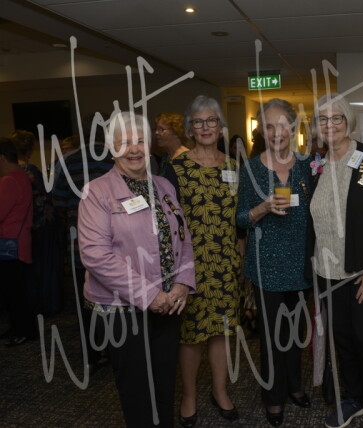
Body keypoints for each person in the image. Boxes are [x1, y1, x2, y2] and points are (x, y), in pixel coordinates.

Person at [78, 111, 195, 427]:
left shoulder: (164, 186)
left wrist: (183, 283)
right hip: (122, 310)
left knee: (164, 384)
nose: (133, 149)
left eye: (140, 141)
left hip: (168, 304)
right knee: (137, 391)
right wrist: (150, 295)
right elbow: (95, 255)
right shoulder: (96, 192)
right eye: (124, 142)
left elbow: (183, 237)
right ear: (111, 147)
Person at [308, 93, 363, 428]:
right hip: (327, 272)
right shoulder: (316, 165)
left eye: (337, 118)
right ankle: (354, 398)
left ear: (348, 121)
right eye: (323, 119)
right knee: (342, 339)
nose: (330, 125)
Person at [237, 98, 312, 427]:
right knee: (271, 336)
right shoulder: (251, 169)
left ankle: (294, 385)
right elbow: (240, 218)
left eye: (282, 125)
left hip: (302, 264)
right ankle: (273, 397)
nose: (276, 132)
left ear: (293, 128)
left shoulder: (308, 165)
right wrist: (262, 208)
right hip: (265, 265)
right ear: (262, 132)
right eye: (269, 126)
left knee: (296, 332)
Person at [171, 95, 241, 426]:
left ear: (221, 125)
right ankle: (188, 396)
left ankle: (219, 391)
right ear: (189, 128)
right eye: (198, 122)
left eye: (211, 120)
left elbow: (241, 219)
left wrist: (242, 259)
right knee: (191, 334)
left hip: (226, 263)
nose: (205, 127)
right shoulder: (175, 168)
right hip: (190, 265)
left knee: (221, 332)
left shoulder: (234, 167)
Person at [53, 115, 114, 372]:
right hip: (114, 245)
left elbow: (57, 201)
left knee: (86, 303)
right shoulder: (116, 159)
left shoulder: (67, 162)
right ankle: (116, 351)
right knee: (116, 300)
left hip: (80, 243)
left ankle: (92, 355)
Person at [11, 130, 62, 316]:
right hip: (43, 223)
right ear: (30, 148)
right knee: (47, 266)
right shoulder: (30, 170)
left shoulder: (11, 172)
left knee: (31, 269)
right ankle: (49, 304)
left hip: (24, 225)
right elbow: (48, 195)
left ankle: (34, 304)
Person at [0, 138, 35, 346]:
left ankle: (24, 330)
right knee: (14, 290)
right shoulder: (21, 176)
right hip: (17, 242)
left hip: (9, 244)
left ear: (2, 158)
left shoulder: (9, 180)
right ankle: (18, 327)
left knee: (13, 292)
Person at [154, 112, 190, 180]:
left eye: (161, 129)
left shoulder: (186, 159)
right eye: (156, 129)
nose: (156, 132)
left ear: (176, 132)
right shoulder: (166, 157)